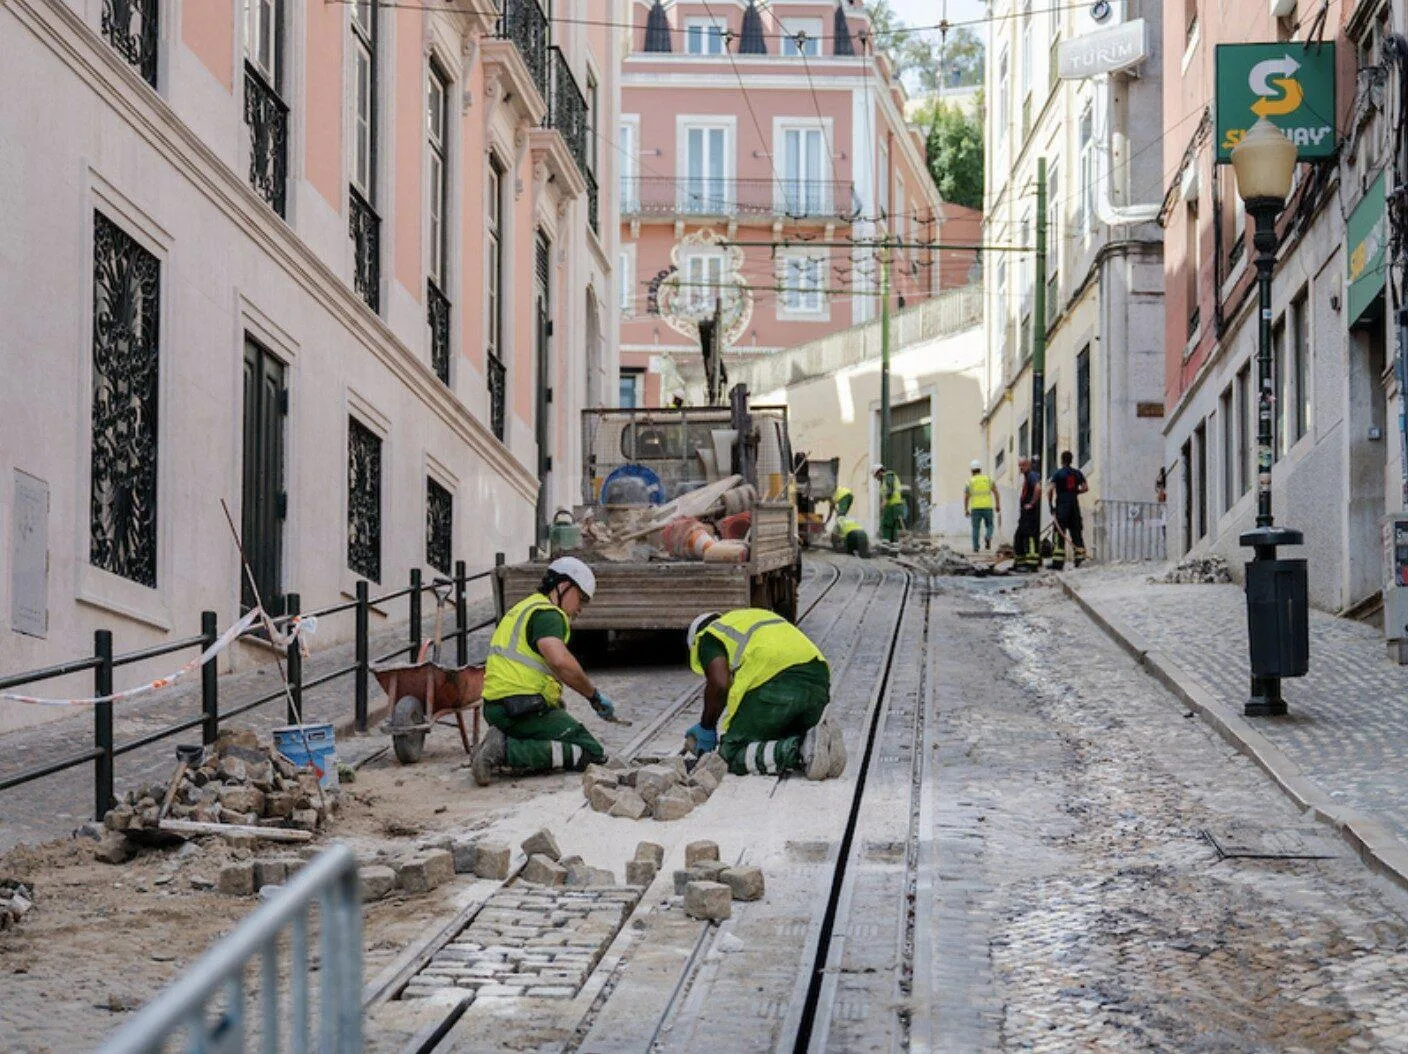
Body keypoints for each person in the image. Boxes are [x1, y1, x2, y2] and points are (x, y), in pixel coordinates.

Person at [471, 557, 618, 785]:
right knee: (590, 752)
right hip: (522, 707)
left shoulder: (524, 607)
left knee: (562, 728)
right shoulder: (549, 615)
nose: (580, 608)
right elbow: (560, 662)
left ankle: (501, 740)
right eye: (581, 598)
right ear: (563, 586)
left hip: (499, 706)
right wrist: (593, 695)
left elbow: (533, 665)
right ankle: (504, 751)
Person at [683, 610, 846, 779]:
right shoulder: (750, 618)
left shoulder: (708, 635)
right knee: (772, 741)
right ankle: (823, 747)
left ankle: (800, 752)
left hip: (776, 683)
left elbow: (720, 684)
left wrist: (707, 726)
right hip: (817, 680)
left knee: (729, 755)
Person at [1047, 451, 1089, 569]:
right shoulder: (1077, 473)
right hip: (1074, 506)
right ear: (1071, 460)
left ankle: (1058, 563)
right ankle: (1079, 560)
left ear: (1062, 460)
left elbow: (1050, 490)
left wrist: (1051, 505)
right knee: (1076, 532)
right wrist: (1075, 492)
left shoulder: (1058, 474)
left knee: (1059, 533)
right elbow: (1086, 488)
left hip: (1062, 507)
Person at [1011, 456, 1042, 571]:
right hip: (1025, 514)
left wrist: (1032, 503)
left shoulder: (1031, 475)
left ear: (1028, 465)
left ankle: (1032, 564)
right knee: (1019, 537)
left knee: (1030, 538)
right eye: (1019, 465)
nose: (1020, 468)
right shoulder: (1027, 476)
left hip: (1030, 514)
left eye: (1022, 465)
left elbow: (1038, 488)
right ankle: (1020, 563)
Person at [963, 460, 1000, 553]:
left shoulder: (969, 482)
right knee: (990, 525)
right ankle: (988, 537)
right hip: (988, 507)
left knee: (975, 528)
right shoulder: (988, 479)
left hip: (975, 508)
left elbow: (966, 497)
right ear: (980, 469)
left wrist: (966, 509)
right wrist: (997, 504)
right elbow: (996, 492)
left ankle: (976, 547)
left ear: (971, 471)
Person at [874, 464, 907, 542]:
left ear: (879, 472)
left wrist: (885, 500)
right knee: (890, 526)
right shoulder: (886, 480)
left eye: (876, 476)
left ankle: (890, 544)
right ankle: (890, 545)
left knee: (890, 526)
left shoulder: (889, 476)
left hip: (894, 506)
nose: (877, 478)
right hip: (892, 506)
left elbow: (890, 489)